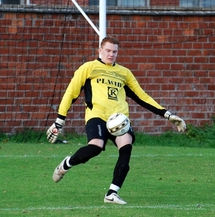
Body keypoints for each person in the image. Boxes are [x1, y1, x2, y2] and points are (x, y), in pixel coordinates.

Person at [46, 36, 186, 205]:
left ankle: (112, 193)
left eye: (114, 51)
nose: (111, 54)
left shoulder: (124, 73)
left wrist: (168, 115)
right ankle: (67, 164)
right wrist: (59, 120)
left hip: (120, 120)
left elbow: (142, 96)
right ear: (100, 50)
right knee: (95, 148)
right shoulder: (89, 68)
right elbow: (71, 93)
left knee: (126, 148)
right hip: (96, 116)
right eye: (108, 51)